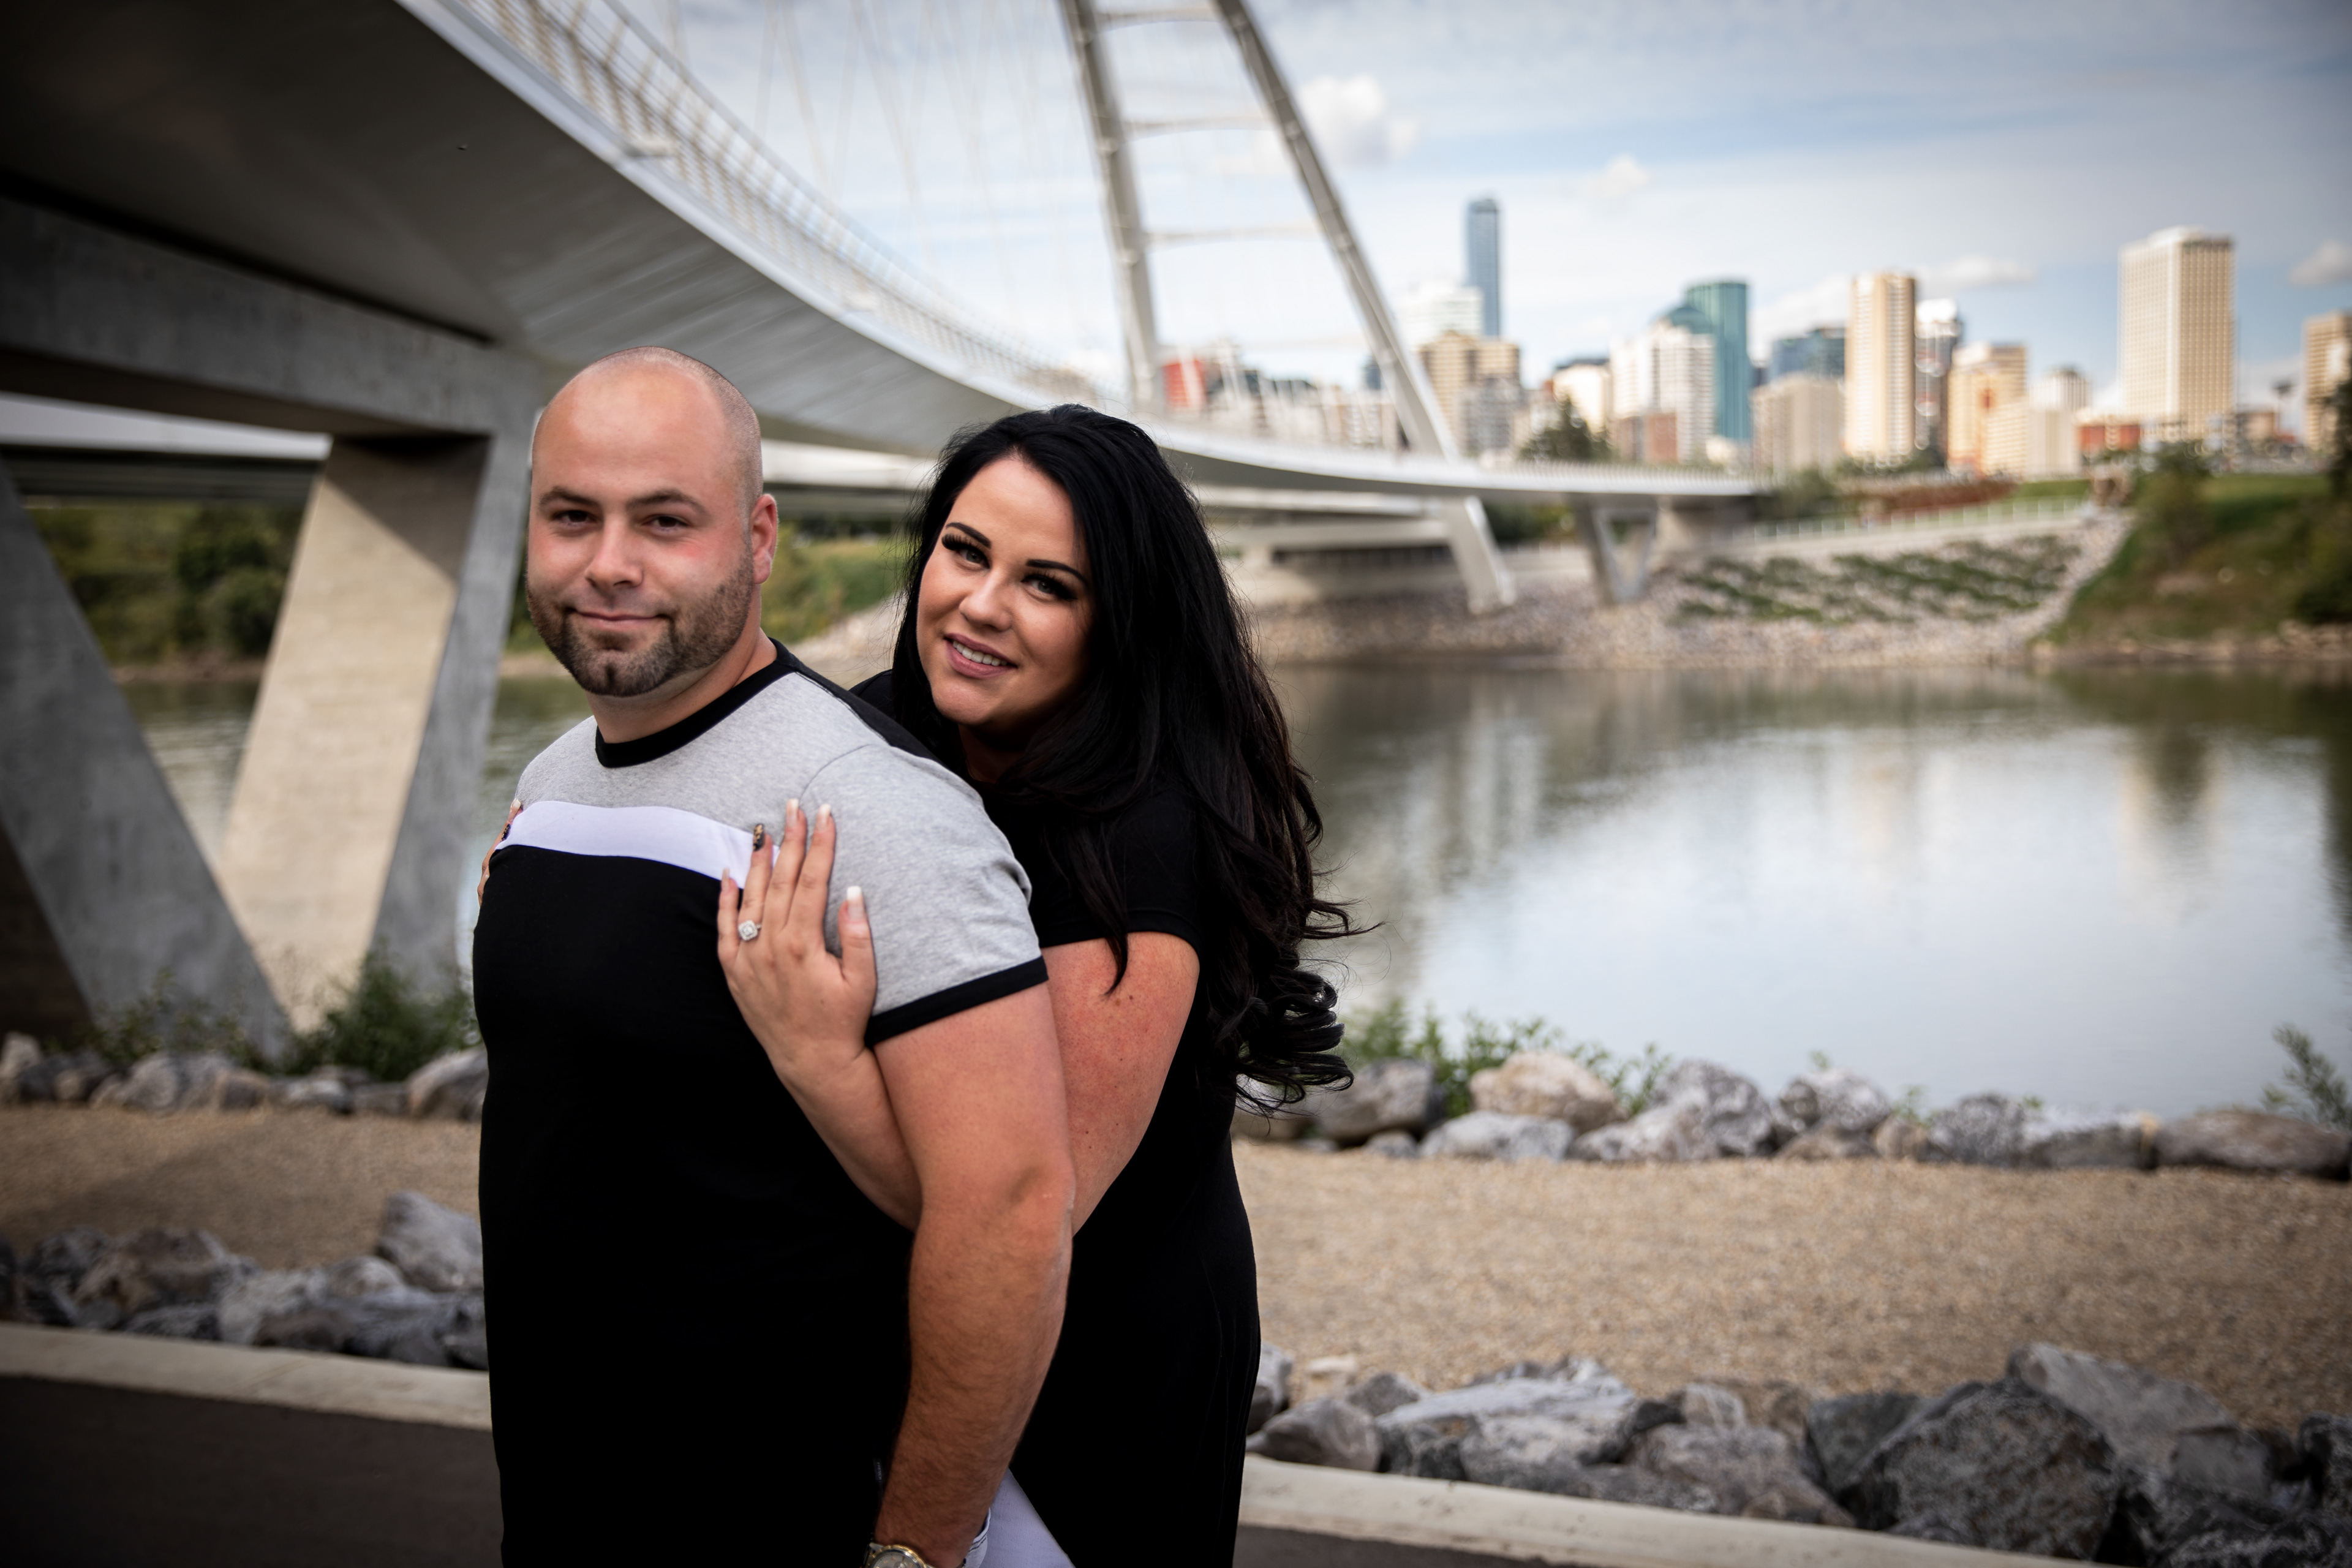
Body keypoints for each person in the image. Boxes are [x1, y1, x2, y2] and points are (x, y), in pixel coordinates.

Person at [718, 404, 1355, 1564]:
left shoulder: (1145, 838)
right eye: (965, 553)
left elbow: (1023, 1213)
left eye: (1047, 584)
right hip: (893, 1332)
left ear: (1120, 624)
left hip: (1101, 1371)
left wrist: (818, 1056)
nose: (981, 605)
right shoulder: (871, 736)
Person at [472, 347, 1077, 1567]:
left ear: (757, 538)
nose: (609, 564)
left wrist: (914, 1551)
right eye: (572, 516)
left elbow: (1009, 1218)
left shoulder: (868, 804)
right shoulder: (549, 787)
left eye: (665, 521)